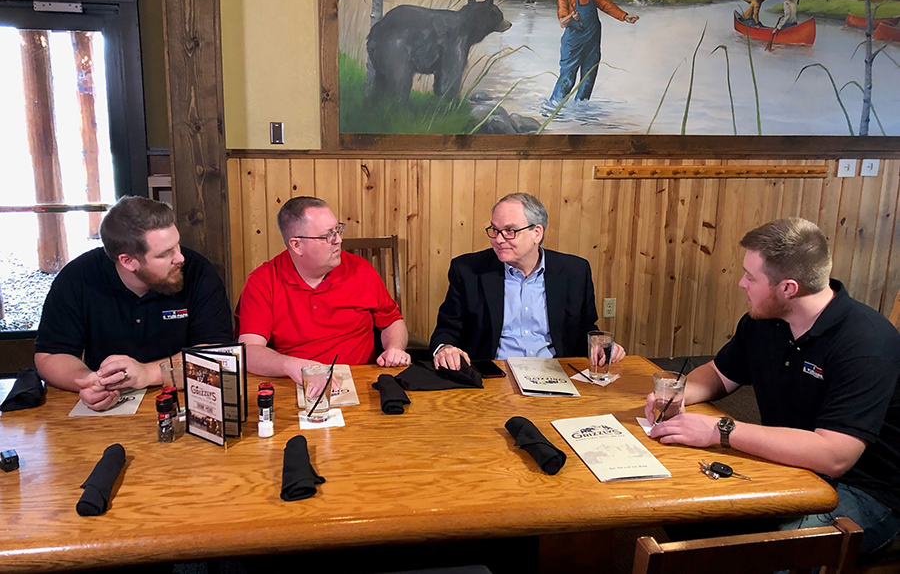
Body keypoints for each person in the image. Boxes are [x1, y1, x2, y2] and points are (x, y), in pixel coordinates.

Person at [647, 217, 900, 556]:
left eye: (751, 277)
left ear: (788, 288)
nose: (741, 283)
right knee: (682, 510)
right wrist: (676, 395)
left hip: (866, 490)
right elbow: (720, 374)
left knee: (761, 554)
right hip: (788, 463)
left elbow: (835, 456)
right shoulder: (764, 321)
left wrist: (721, 429)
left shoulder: (866, 342)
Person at [34, 196, 234, 411]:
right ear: (128, 261)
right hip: (107, 407)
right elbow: (50, 355)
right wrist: (89, 381)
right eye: (165, 254)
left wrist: (148, 373)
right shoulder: (78, 277)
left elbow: (217, 354)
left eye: (177, 245)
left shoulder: (198, 271)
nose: (180, 258)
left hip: (184, 401)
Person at [430, 192, 626, 370]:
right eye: (495, 230)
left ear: (537, 233)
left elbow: (585, 328)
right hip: (494, 375)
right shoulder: (468, 270)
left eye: (510, 231)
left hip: (556, 372)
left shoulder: (574, 271)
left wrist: (599, 344)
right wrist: (445, 348)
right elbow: (447, 329)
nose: (498, 239)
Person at [235, 196, 411, 384]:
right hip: (296, 383)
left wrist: (394, 348)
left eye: (337, 230)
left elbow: (392, 321)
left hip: (362, 382)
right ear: (296, 245)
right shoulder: (263, 281)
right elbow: (250, 351)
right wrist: (290, 365)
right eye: (328, 235)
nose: (339, 240)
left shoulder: (360, 269)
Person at [549, 0, 639, 106]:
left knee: (589, 76)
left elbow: (604, 3)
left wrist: (624, 16)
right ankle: (554, 108)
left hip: (592, 39)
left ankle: (582, 113)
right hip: (573, 41)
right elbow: (563, 22)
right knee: (568, 77)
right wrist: (572, 17)